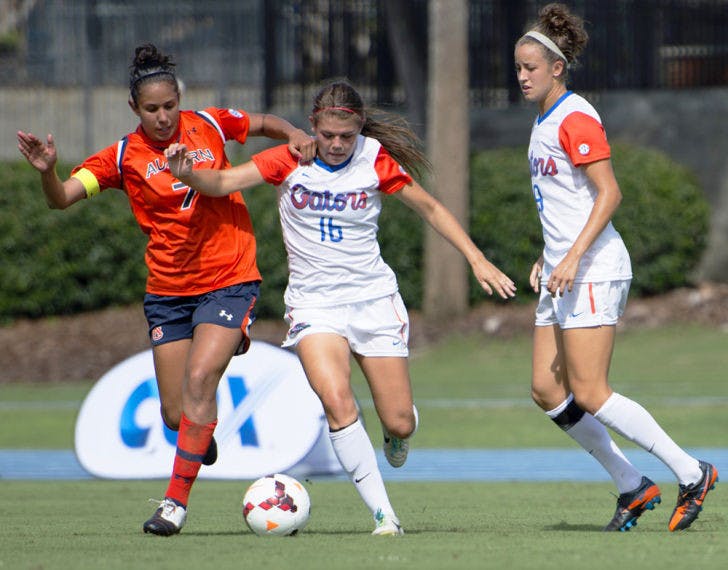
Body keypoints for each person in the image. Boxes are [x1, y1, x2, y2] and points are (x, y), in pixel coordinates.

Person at [165, 79, 517, 535]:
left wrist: (477, 259)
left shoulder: (374, 160)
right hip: (315, 305)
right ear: (313, 125)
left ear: (359, 129)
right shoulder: (288, 159)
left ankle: (398, 431)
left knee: (400, 420)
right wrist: (186, 173)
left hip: (373, 300)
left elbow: (429, 208)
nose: (335, 145)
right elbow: (224, 181)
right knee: (336, 401)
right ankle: (383, 515)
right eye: (327, 135)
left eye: (345, 137)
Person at [17, 43, 316, 536]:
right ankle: (199, 437)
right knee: (177, 413)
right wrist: (49, 171)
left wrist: (296, 132)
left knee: (201, 381)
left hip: (228, 277)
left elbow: (262, 123)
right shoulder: (121, 156)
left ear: (181, 99)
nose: (163, 117)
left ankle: (173, 505)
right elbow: (62, 200)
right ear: (134, 109)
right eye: (151, 109)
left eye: (169, 106)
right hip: (168, 291)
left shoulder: (212, 124)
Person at [514, 3, 718, 532]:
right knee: (545, 389)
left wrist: (573, 255)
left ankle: (691, 472)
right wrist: (547, 253)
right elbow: (566, 202)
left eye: (530, 68)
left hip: (593, 268)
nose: (521, 77)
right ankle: (632, 485)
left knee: (591, 392)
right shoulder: (542, 121)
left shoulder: (576, 115)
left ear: (557, 67)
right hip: (562, 268)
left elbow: (609, 193)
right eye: (517, 68)